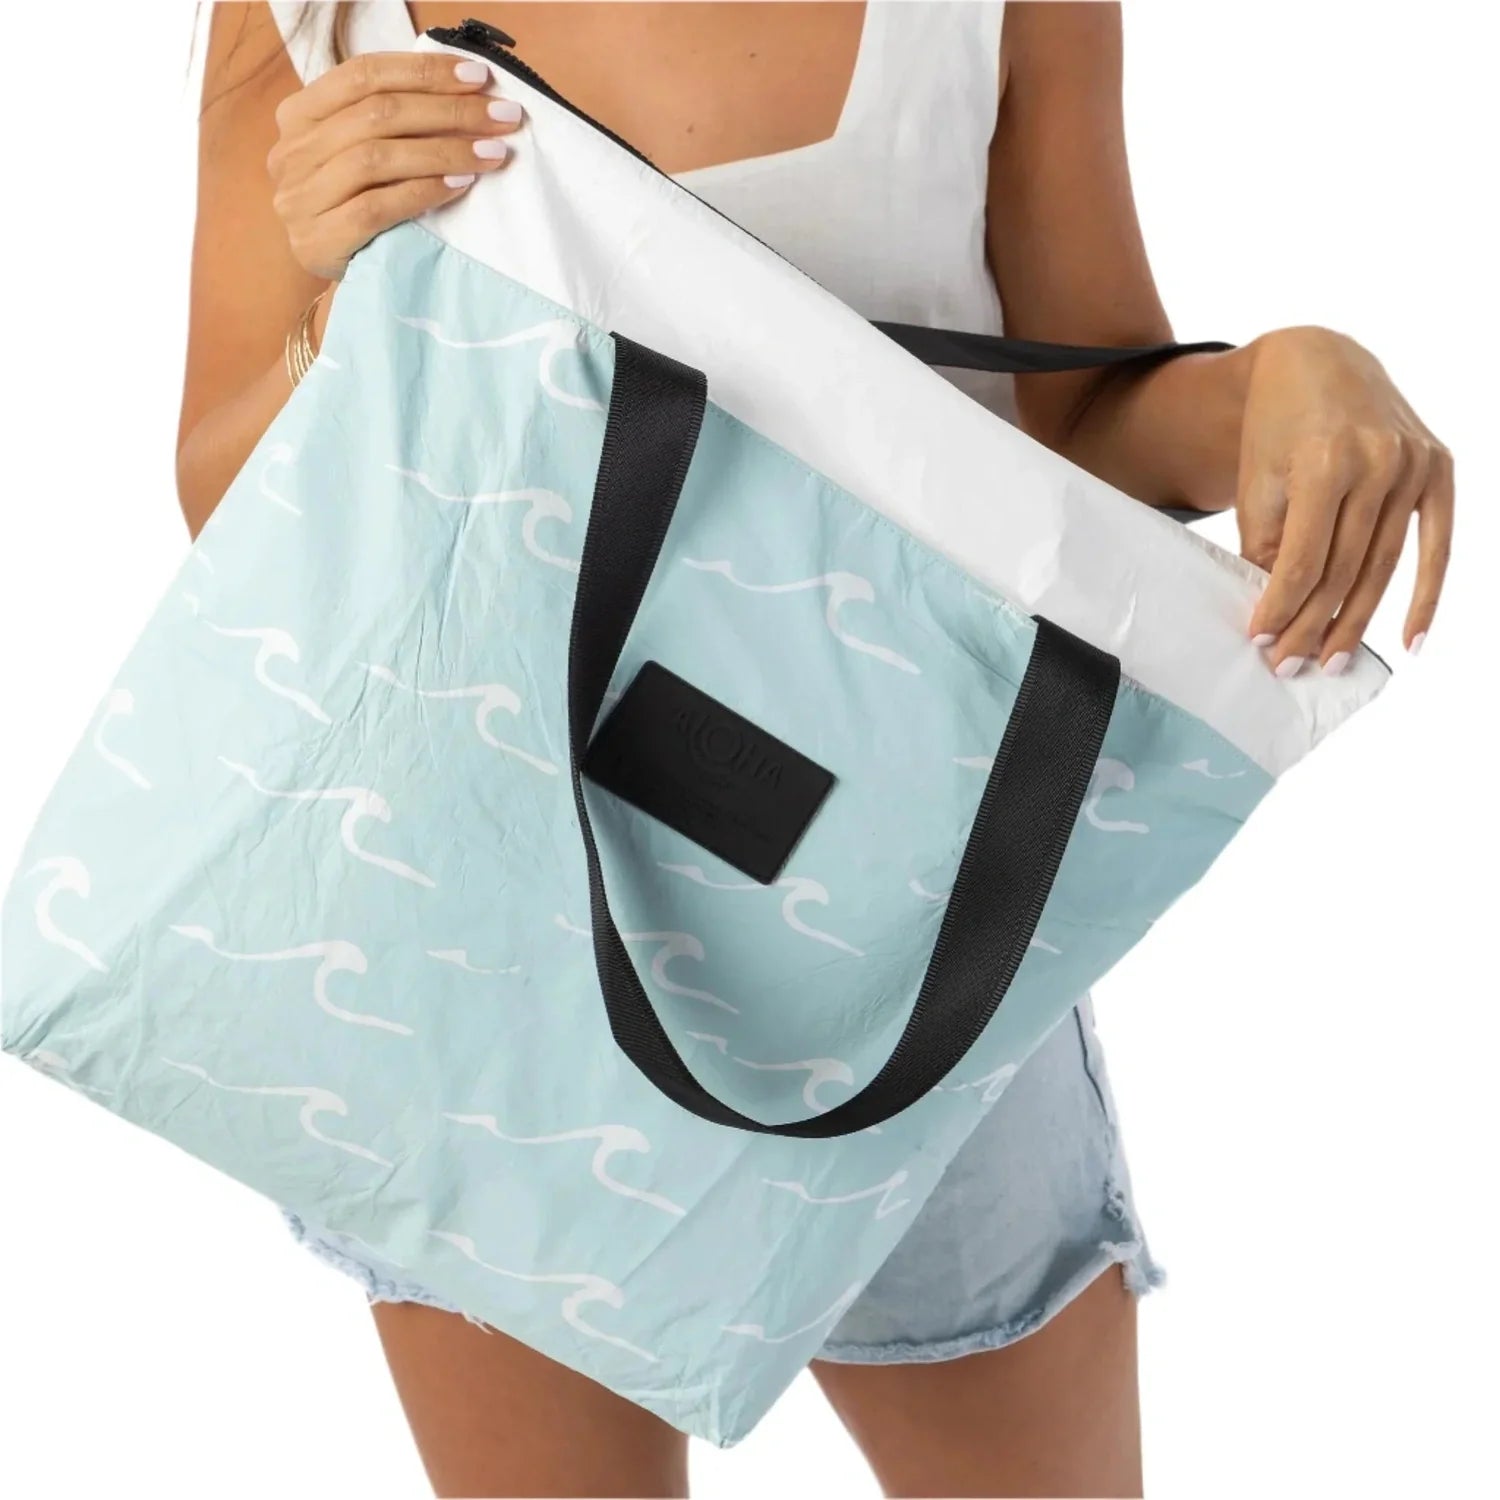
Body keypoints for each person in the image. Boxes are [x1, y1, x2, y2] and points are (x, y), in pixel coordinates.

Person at [181, 5, 1454, 1495]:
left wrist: (1285, 377)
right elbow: (222, 492)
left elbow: (1080, 416)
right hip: (483, 910)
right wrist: (332, 304)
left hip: (899, 914)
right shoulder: (306, 13)